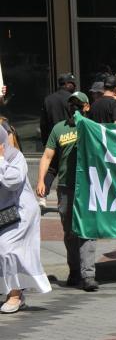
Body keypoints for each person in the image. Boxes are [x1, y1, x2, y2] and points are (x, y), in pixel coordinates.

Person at [37, 92, 100, 291]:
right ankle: (74, 271)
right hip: (66, 187)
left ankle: (88, 275)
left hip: (88, 186)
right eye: (71, 105)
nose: (75, 108)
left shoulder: (92, 127)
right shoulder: (59, 128)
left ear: (86, 107)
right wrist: (41, 181)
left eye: (79, 105)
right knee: (70, 232)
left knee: (87, 231)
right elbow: (47, 156)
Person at [0, 126, 52, 313]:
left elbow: (12, 181)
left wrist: (0, 160)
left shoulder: (15, 156)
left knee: (7, 250)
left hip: (20, 213)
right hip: (3, 213)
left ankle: (15, 295)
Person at [39, 73, 77, 208]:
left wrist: (46, 141)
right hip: (69, 137)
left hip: (53, 138)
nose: (74, 85)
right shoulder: (73, 99)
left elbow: (43, 123)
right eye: (72, 83)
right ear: (68, 84)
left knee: (52, 168)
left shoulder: (48, 99)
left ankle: (43, 194)